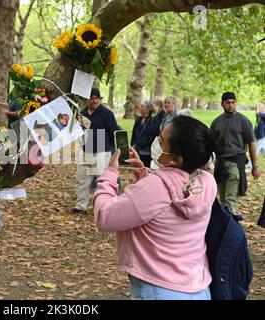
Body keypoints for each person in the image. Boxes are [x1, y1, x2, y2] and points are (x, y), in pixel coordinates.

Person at [93, 115, 217, 300]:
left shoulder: (154, 187)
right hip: (197, 287)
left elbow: (105, 217)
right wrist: (144, 176)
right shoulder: (207, 181)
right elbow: (165, 204)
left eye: (161, 142)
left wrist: (109, 176)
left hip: (159, 288)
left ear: (176, 159)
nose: (156, 143)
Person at [211, 92, 260, 214]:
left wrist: (255, 166)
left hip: (235, 164)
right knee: (222, 200)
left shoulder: (243, 121)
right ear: (222, 104)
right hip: (220, 164)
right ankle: (224, 227)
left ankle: (230, 230)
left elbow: (252, 143)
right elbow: (210, 144)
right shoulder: (216, 122)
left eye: (233, 102)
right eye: (227, 102)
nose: (230, 105)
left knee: (230, 199)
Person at [72, 88, 120, 214]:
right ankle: (81, 205)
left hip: (101, 150)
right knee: (82, 179)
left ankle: (105, 206)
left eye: (95, 98)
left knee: (102, 180)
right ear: (86, 100)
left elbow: (113, 131)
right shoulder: (82, 113)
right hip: (85, 149)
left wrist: (112, 149)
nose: (93, 100)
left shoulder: (107, 114)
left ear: (99, 99)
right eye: (90, 98)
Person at [131, 101, 157, 168]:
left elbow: (154, 135)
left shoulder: (153, 120)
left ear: (148, 109)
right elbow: (134, 134)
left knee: (144, 168)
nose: (140, 108)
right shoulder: (138, 119)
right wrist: (132, 146)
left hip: (146, 151)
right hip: (136, 149)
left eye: (142, 106)